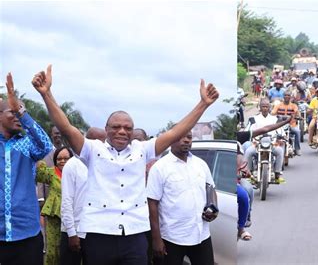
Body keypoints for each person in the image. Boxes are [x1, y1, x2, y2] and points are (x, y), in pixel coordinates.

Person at [31, 65, 219, 265]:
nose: (122, 131)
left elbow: (176, 132)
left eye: (128, 128)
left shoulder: (142, 149)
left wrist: (203, 104)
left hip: (135, 234)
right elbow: (65, 127)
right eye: (116, 127)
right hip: (98, 233)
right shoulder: (93, 150)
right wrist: (46, 94)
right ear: (107, 129)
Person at [0, 72, 53, 265]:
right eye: (12, 112)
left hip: (27, 235)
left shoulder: (26, 145)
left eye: (20, 112)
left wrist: (21, 110)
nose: (17, 116)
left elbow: (46, 146)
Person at [147, 131, 217, 265]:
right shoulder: (159, 167)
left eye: (189, 137)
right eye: (180, 137)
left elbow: (210, 189)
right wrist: (156, 239)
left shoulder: (201, 164)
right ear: (171, 140)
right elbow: (152, 203)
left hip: (201, 234)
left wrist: (213, 208)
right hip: (172, 237)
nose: (186, 140)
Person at [60, 128, 106, 265]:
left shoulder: (106, 164)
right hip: (74, 231)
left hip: (96, 232)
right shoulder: (72, 165)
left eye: (104, 142)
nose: (101, 146)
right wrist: (71, 233)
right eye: (98, 141)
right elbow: (67, 200)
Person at [35, 147, 73, 265]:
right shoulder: (51, 172)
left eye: (66, 158)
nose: (62, 161)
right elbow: (39, 175)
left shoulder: (78, 171)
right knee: (53, 247)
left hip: (73, 215)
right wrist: (39, 161)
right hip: (54, 215)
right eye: (59, 159)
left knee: (71, 247)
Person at [243, 98, 285, 183]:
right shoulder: (253, 119)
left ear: (269, 107)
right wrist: (248, 136)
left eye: (266, 106)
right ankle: (248, 173)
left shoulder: (275, 119)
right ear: (260, 107)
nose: (265, 108)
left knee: (280, 151)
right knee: (248, 152)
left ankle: (277, 174)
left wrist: (281, 137)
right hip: (257, 144)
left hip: (271, 144)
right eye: (263, 106)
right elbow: (247, 130)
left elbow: (280, 130)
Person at [272, 91, 301, 155]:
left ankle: (297, 148)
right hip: (279, 125)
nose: (287, 97)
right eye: (285, 95)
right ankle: (271, 147)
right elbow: (273, 112)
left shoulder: (294, 105)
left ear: (290, 97)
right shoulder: (278, 105)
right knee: (271, 133)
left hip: (291, 125)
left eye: (288, 95)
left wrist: (297, 115)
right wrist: (274, 114)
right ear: (283, 96)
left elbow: (297, 112)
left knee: (297, 131)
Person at [237, 147, 253, 241]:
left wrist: (246, 171)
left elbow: (243, 163)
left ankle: (241, 227)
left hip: (238, 180)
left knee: (247, 191)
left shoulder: (238, 146)